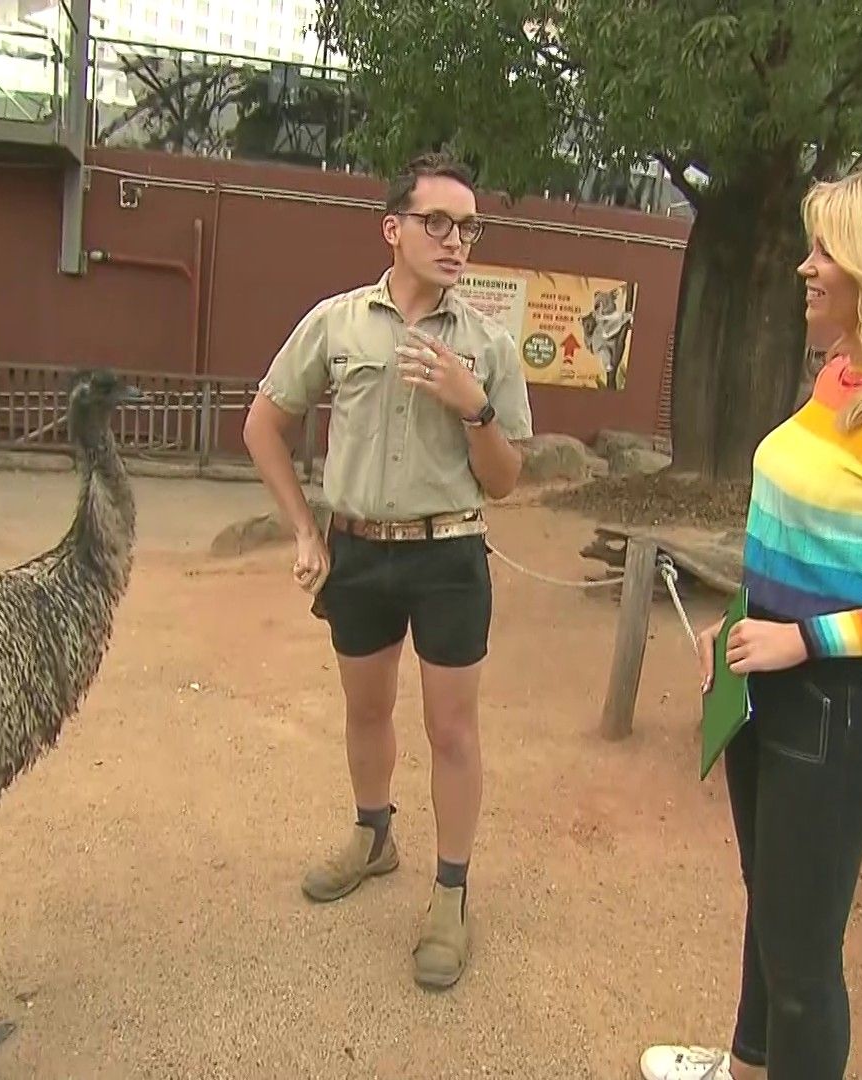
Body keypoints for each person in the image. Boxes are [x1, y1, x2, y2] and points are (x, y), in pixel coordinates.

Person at [639, 155, 862, 1080]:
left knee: (802, 957)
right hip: (766, 678)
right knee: (772, 911)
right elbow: (812, 540)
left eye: (828, 251)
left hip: (837, 707)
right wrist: (742, 628)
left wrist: (803, 639)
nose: (806, 267)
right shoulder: (844, 375)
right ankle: (747, 1065)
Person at [241, 150, 535, 991]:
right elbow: (263, 424)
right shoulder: (337, 324)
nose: (454, 240)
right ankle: (373, 836)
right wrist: (305, 530)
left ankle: (450, 894)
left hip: (449, 554)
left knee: (453, 730)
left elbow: (506, 480)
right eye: (436, 222)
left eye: (467, 227)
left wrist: (472, 405)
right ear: (392, 229)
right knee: (365, 710)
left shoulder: (487, 345)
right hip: (360, 550)